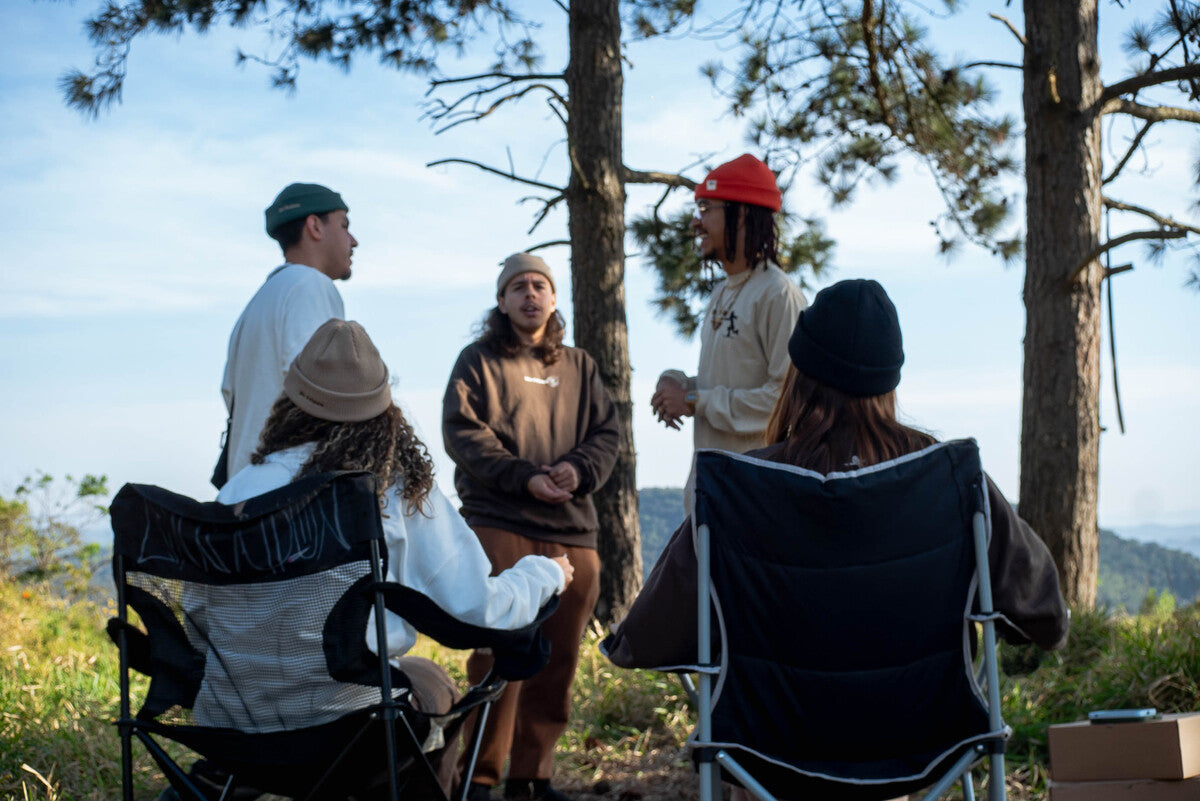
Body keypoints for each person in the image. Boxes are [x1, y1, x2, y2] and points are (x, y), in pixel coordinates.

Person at [609, 277, 1069, 669]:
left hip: (769, 744)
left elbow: (648, 637)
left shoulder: (742, 486)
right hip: (925, 738)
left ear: (799, 376)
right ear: (889, 380)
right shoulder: (950, 478)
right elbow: (1044, 613)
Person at [211, 318, 574, 799]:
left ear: (290, 404)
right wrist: (545, 573)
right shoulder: (392, 491)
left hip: (236, 722)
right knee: (431, 685)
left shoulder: (242, 489)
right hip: (344, 724)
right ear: (384, 412)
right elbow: (478, 607)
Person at [442, 253, 620, 801]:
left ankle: (532, 776)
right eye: (517, 287)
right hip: (500, 523)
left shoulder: (581, 366)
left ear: (553, 298)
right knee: (498, 653)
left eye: (539, 285)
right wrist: (524, 478)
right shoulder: (478, 361)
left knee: (559, 657)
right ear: (502, 302)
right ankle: (480, 775)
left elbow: (607, 434)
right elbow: (463, 433)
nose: (530, 294)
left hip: (571, 531)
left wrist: (578, 470)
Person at [650, 153, 808, 454]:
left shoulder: (778, 294)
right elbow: (732, 386)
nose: (696, 222)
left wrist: (695, 400)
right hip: (713, 486)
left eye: (706, 208)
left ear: (743, 215)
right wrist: (681, 385)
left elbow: (785, 398)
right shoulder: (722, 291)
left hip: (753, 489)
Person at [216, 182, 358, 485]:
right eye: (345, 226)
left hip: (245, 491)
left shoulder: (258, 303)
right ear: (314, 227)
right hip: (290, 495)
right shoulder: (310, 285)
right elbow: (324, 392)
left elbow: (229, 394)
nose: (354, 240)